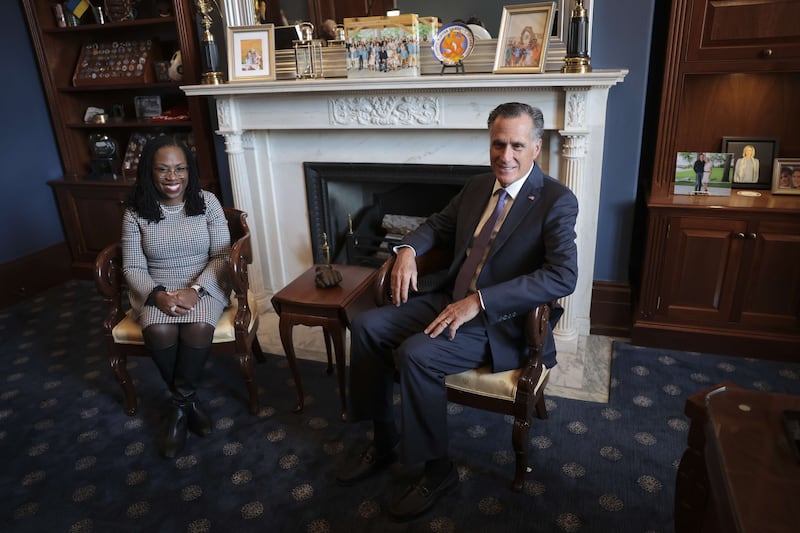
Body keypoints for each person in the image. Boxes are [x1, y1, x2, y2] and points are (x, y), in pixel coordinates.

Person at [335, 103, 578, 521]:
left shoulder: (556, 200)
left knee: (416, 354)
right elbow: (436, 225)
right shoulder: (477, 186)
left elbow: (563, 276)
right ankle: (383, 438)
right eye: (498, 144)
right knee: (367, 326)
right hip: (449, 297)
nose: (505, 155)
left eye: (517, 145)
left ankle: (439, 471)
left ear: (536, 147)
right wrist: (407, 250)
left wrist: (481, 302)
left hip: (499, 323)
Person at [121, 135, 231, 458]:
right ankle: (189, 403)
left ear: (189, 170)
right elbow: (132, 265)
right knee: (159, 329)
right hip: (155, 286)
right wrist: (157, 296)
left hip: (205, 283)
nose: (173, 177)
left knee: (197, 328)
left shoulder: (206, 202)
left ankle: (178, 408)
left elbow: (223, 257)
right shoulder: (135, 211)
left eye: (180, 168)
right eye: (163, 169)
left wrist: (196, 290)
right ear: (149, 172)